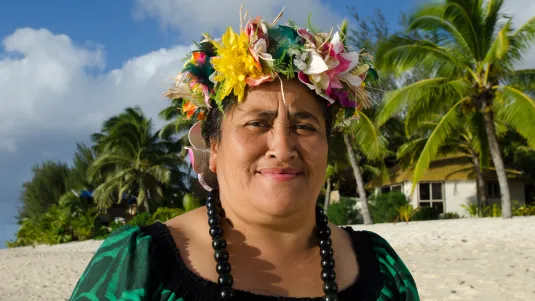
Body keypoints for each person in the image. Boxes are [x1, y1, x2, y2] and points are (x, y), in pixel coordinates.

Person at [69, 7, 420, 301]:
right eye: (258, 124)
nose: (282, 149)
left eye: (305, 127)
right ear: (215, 147)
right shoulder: (140, 264)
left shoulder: (381, 269)